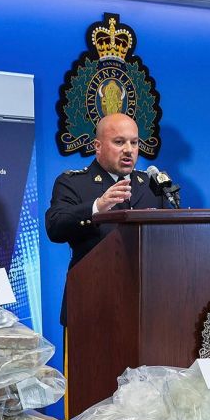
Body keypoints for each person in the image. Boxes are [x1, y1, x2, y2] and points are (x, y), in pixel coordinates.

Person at [45, 112, 169, 325]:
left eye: (134, 142)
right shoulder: (73, 182)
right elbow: (55, 227)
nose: (128, 150)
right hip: (92, 303)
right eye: (119, 142)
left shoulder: (151, 183)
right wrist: (97, 207)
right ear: (98, 146)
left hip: (147, 304)